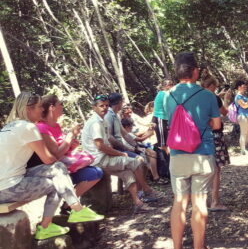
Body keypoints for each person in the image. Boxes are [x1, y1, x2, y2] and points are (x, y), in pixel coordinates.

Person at [0, 92, 104, 240]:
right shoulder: (28, 128)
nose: (42, 110)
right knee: (56, 179)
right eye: (39, 107)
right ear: (28, 109)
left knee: (58, 171)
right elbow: (49, 159)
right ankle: (55, 221)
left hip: (9, 182)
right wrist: (68, 140)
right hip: (6, 188)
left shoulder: (11, 125)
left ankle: (71, 212)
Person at [163, 52, 221, 249]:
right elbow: (216, 125)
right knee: (199, 202)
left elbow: (165, 122)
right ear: (196, 71)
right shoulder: (207, 95)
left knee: (179, 202)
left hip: (178, 154)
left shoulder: (167, 96)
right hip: (203, 153)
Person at [82, 95, 158, 212]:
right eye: (101, 106)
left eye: (106, 105)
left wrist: (129, 148)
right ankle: (147, 190)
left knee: (127, 172)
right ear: (94, 108)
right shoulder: (96, 123)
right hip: (99, 160)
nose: (105, 108)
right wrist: (121, 153)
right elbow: (101, 146)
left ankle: (137, 203)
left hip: (104, 157)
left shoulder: (103, 120)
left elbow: (112, 139)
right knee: (136, 162)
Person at [27, 95, 103, 200]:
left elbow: (64, 149)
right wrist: (71, 135)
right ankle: (71, 204)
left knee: (97, 172)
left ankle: (68, 205)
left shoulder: (56, 125)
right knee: (94, 173)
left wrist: (71, 145)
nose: (63, 107)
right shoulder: (41, 127)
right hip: (55, 171)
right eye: (60, 104)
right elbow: (56, 154)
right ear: (51, 107)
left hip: (64, 166)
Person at [202, 76, 230, 212]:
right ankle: (215, 201)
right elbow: (224, 112)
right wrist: (225, 99)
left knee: (202, 169)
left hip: (201, 136)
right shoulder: (214, 98)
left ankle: (201, 201)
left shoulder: (198, 97)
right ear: (212, 85)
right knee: (216, 169)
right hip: (215, 135)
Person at [121, 118, 164, 184]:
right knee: (152, 154)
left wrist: (149, 131)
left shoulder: (127, 133)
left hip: (135, 149)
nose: (132, 127)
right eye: (131, 126)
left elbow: (139, 137)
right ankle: (155, 177)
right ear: (127, 126)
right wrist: (150, 132)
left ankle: (149, 177)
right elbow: (141, 139)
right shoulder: (127, 133)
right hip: (133, 151)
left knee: (151, 153)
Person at [234, 80, 248, 155]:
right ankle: (242, 150)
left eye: (245, 87)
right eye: (243, 87)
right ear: (239, 87)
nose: (245, 88)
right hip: (243, 116)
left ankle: (245, 147)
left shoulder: (244, 96)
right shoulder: (238, 97)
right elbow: (244, 105)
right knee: (243, 133)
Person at [153, 79, 174, 153]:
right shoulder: (164, 93)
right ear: (167, 86)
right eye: (171, 85)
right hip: (160, 117)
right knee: (163, 143)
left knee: (166, 141)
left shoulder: (163, 93)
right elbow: (167, 107)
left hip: (164, 118)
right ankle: (166, 160)